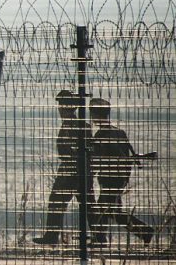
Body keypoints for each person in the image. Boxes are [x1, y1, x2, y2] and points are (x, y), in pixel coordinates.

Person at [32, 90, 99, 245]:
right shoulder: (82, 125)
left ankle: (52, 236)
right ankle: (99, 237)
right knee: (88, 204)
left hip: (71, 171)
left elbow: (70, 150)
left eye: (61, 107)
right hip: (82, 171)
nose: (60, 110)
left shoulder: (71, 126)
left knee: (57, 201)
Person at [89, 97, 155, 245]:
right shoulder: (119, 132)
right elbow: (127, 156)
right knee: (111, 211)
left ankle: (100, 239)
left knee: (104, 209)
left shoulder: (101, 135)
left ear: (96, 116)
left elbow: (97, 159)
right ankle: (143, 232)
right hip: (120, 178)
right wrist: (124, 178)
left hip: (109, 178)